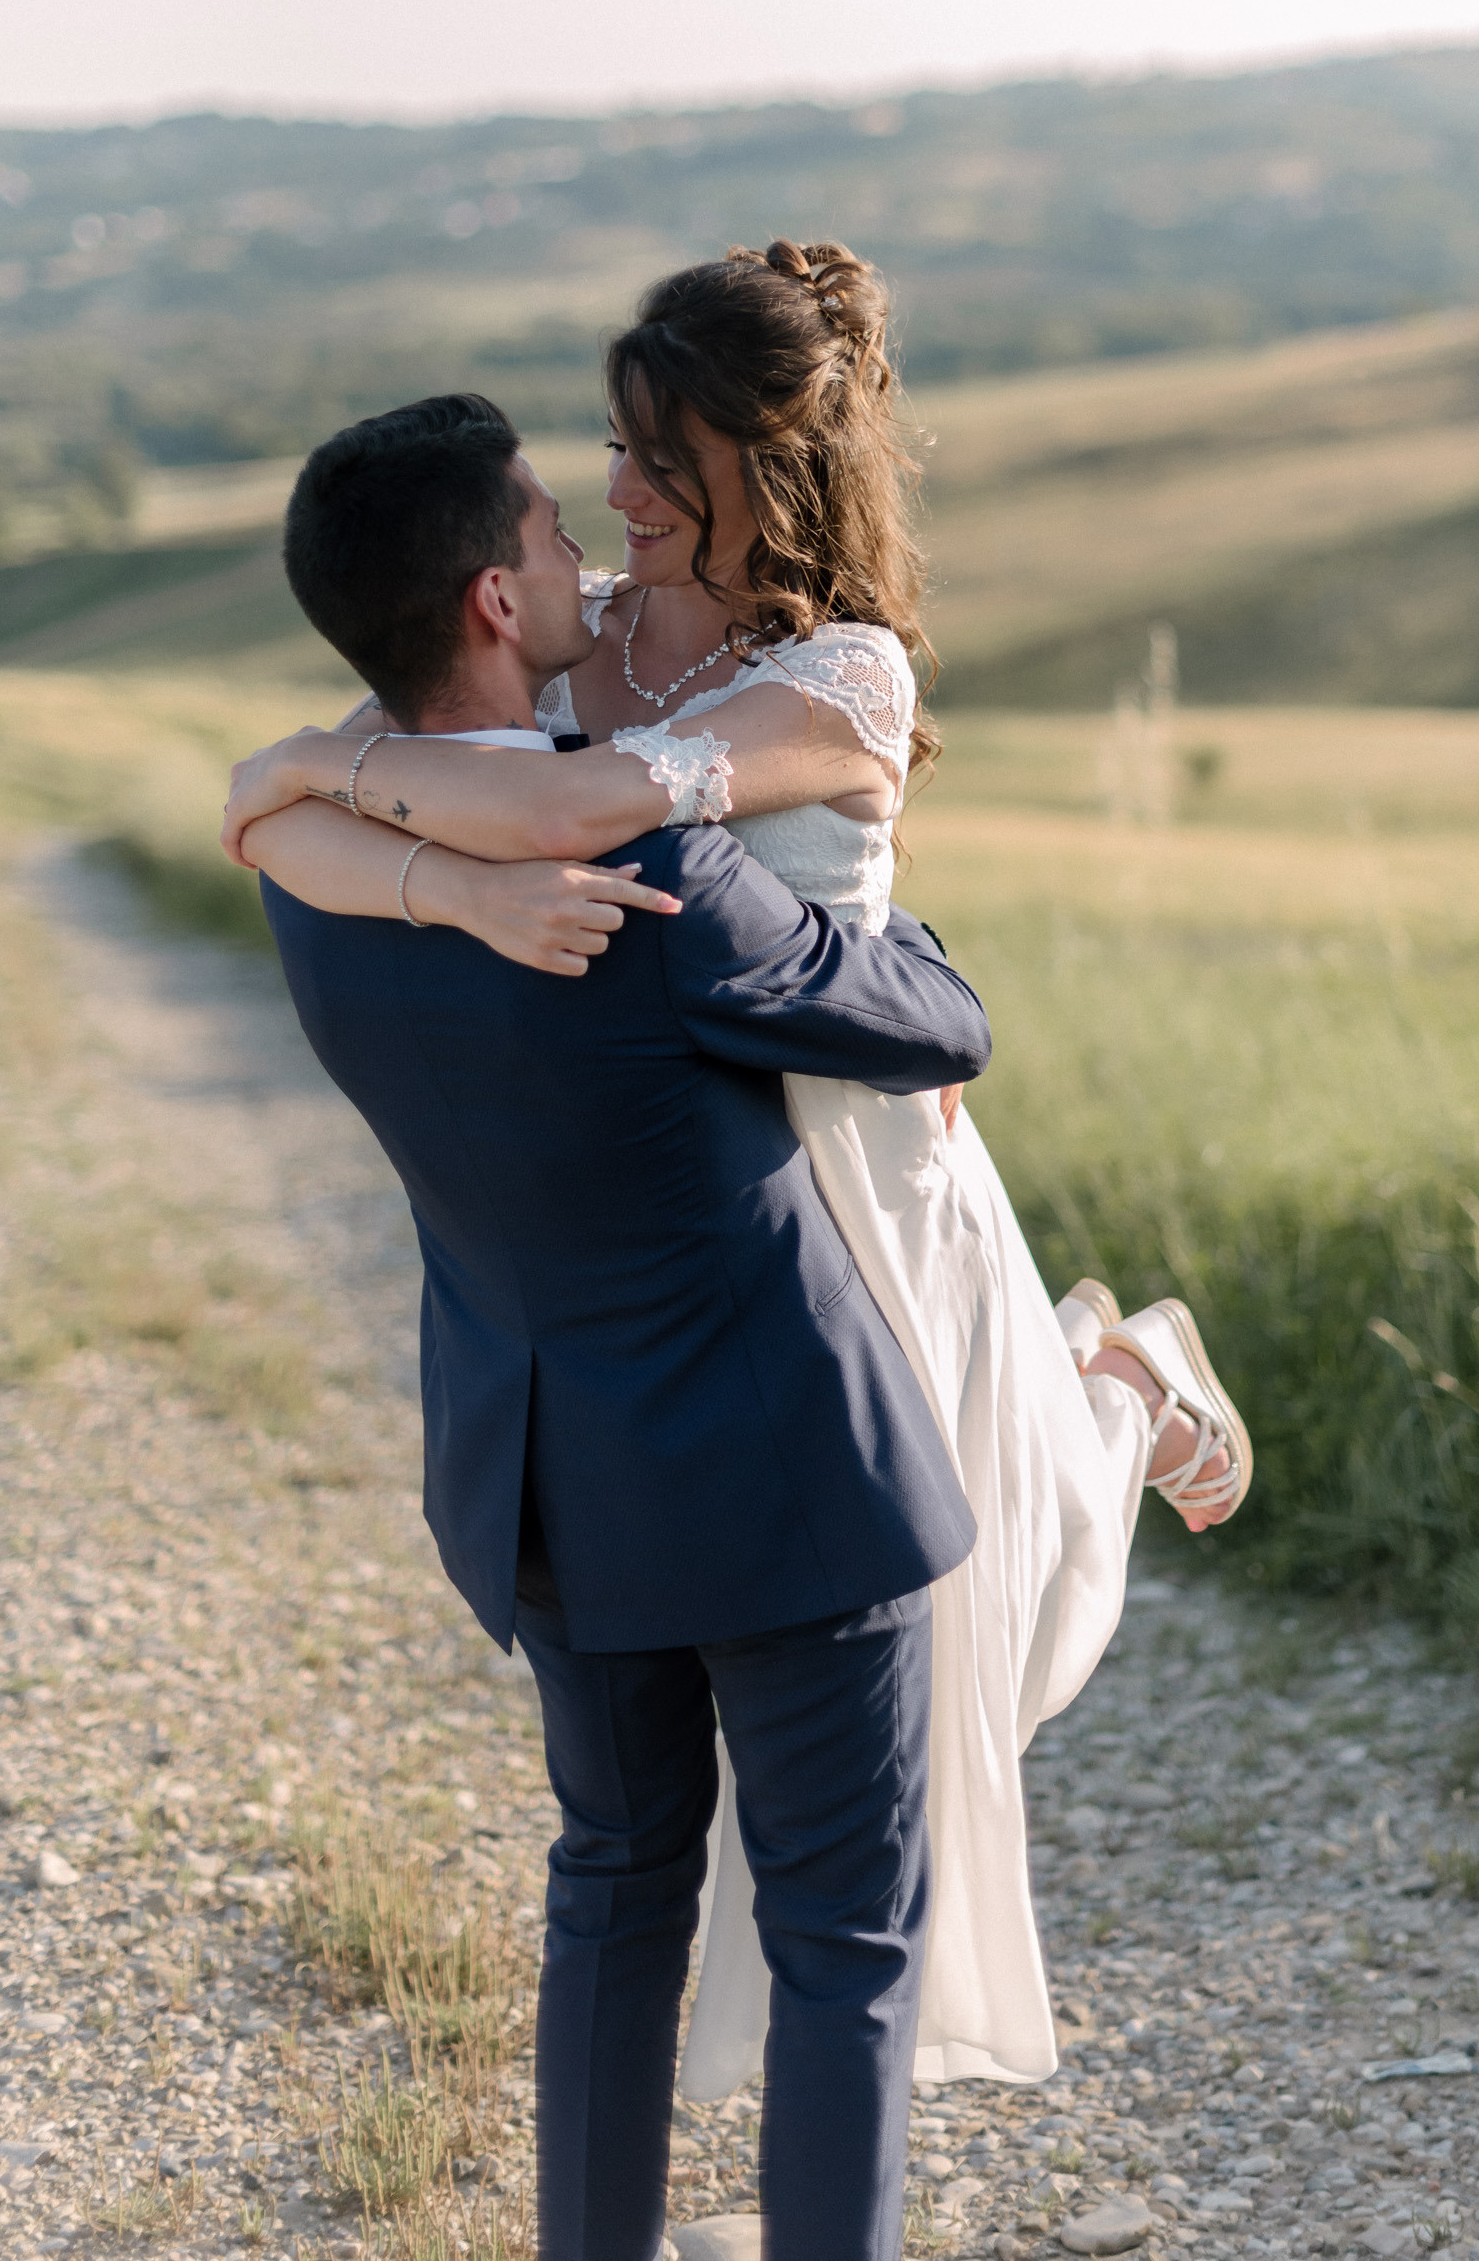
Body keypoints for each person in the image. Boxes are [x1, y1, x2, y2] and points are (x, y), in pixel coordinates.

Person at [224, 243, 1251, 2103]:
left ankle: (1128, 1387)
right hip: (708, 1177)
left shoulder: (842, 677)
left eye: (647, 454)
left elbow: (558, 807)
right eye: (604, 454)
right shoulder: (586, 626)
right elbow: (312, 819)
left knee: (984, 1643)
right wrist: (392, 838)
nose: (609, 494)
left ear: (755, 469)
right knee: (854, 1718)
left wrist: (330, 771)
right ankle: (807, 2136)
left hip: (867, 1169)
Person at [243, 390, 993, 2261]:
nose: (588, 551)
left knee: (613, 1889)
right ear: (496, 600)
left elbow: (283, 789)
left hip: (551, 1486)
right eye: (551, 538)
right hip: (792, 1489)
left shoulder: (323, 881)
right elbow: (937, 1022)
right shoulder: (649, 882)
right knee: (840, 1945)